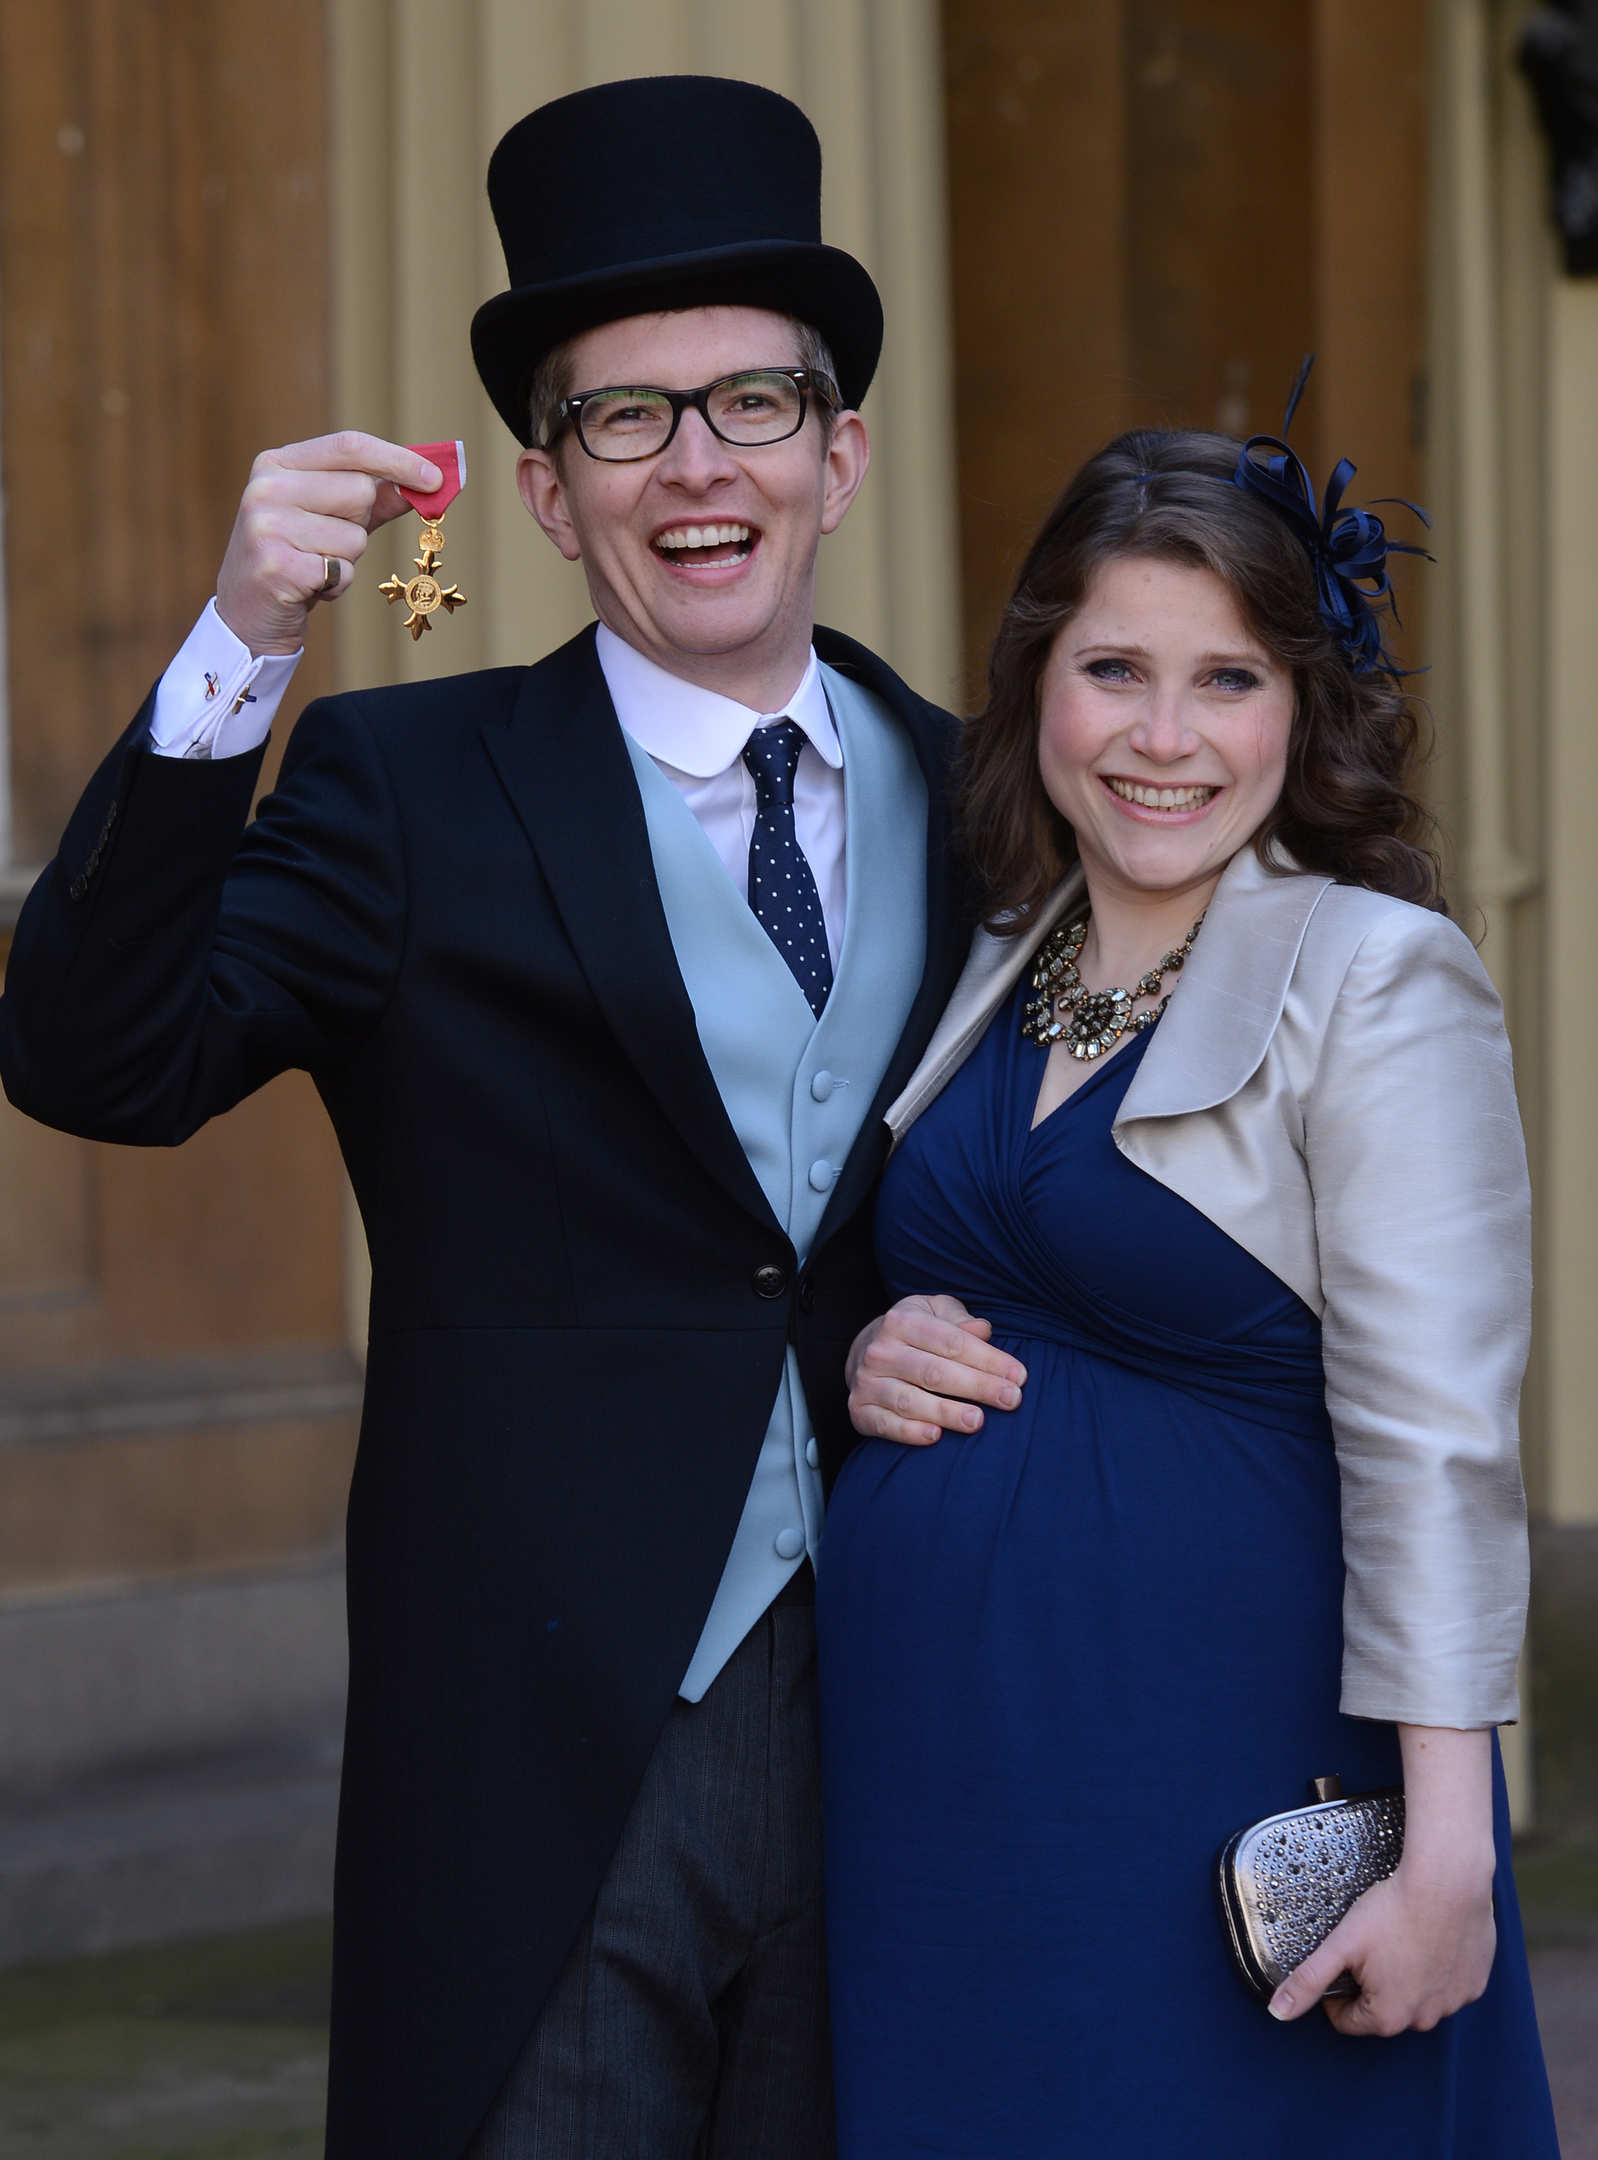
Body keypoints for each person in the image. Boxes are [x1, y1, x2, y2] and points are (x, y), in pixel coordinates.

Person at [0, 76, 972, 2160]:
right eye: (625, 418)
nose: (695, 465)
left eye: (750, 404)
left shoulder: (989, 796)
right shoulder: (400, 788)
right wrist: (242, 645)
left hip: (923, 1702)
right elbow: (95, 1060)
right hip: (542, 1746)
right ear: (541, 493)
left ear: (842, 452)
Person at [820, 422, 1561, 2156]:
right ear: (1033, 689)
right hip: (945, 1786)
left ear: (1299, 707)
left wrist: (1449, 1849)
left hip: (1220, 1757)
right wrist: (875, 1341)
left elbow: (1435, 1434)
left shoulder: (1375, 975)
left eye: (1225, 676)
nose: (1165, 737)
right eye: (1113, 671)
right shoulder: (1004, 942)